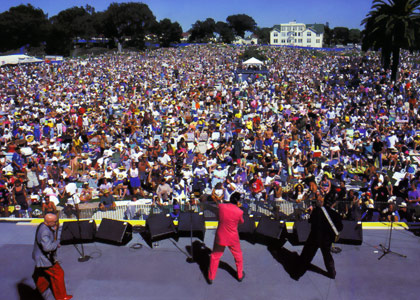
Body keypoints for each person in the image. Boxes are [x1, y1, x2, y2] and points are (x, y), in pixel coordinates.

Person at [298, 195, 343, 279]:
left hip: (315, 237)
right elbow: (340, 226)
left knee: (308, 253)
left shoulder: (316, 211)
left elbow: (311, 221)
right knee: (327, 255)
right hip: (326, 239)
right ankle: (332, 273)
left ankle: (301, 268)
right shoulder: (333, 213)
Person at [32, 213, 72, 300]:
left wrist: (54, 230)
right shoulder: (45, 231)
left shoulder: (42, 226)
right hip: (45, 259)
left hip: (39, 257)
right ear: (49, 223)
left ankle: (40, 290)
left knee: (41, 274)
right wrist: (56, 243)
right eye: (55, 222)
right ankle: (61, 296)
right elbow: (47, 248)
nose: (56, 223)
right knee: (58, 274)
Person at [208, 192, 245, 284]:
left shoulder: (221, 206)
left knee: (215, 256)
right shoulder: (239, 212)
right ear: (238, 202)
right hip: (233, 237)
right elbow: (241, 222)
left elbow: (218, 216)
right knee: (238, 255)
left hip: (221, 235)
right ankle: (240, 275)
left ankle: (211, 277)